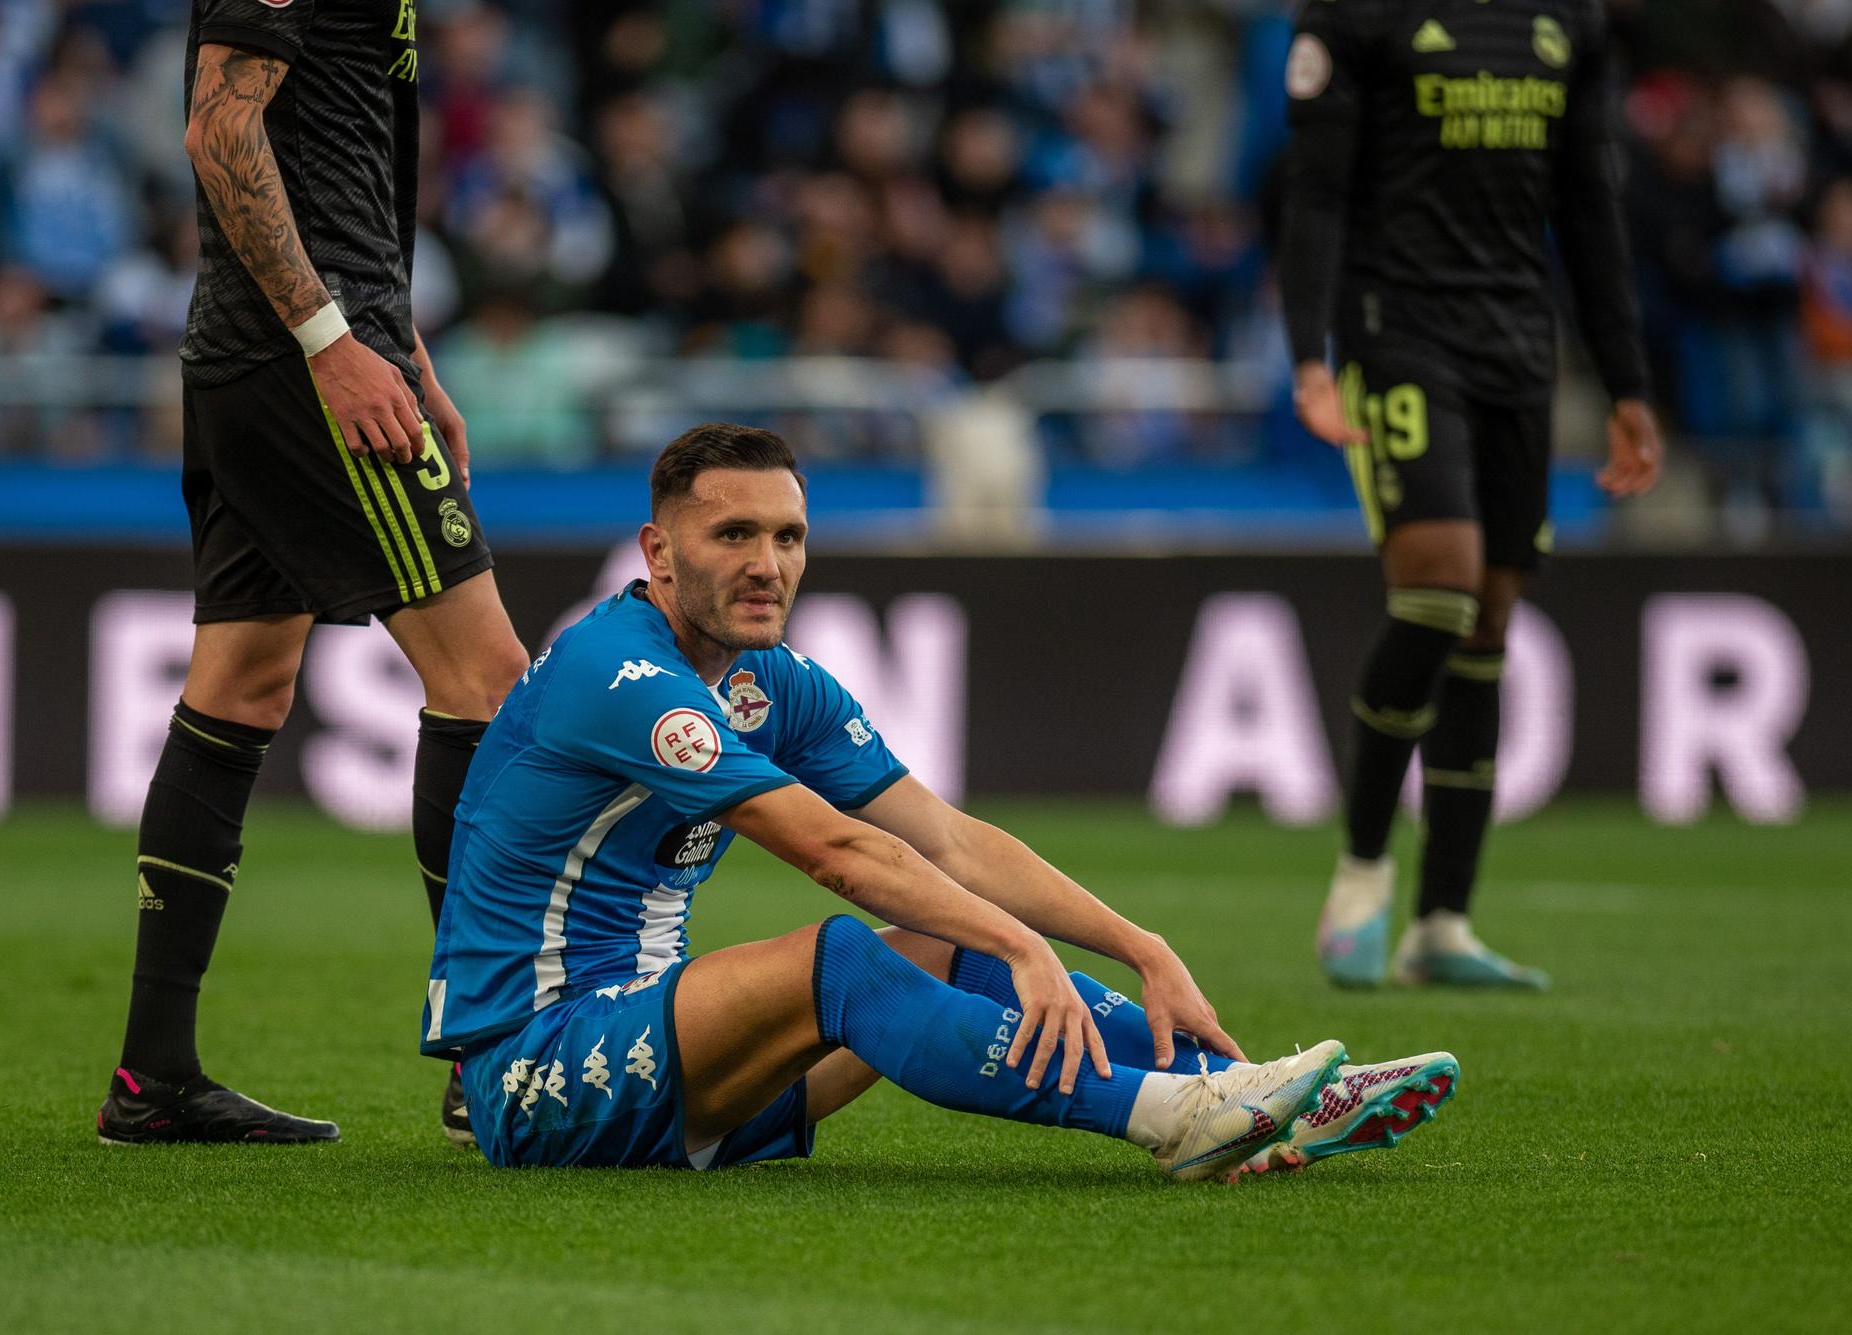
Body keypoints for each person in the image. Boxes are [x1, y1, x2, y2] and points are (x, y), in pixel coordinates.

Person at [424, 423, 1457, 1180]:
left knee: (936, 941)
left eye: (787, 536)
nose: (766, 565)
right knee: (843, 952)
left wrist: (1138, 946)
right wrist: (1021, 946)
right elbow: (833, 850)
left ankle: (1260, 1092)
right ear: (658, 553)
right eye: (732, 535)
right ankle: (1169, 1115)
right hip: (535, 1076)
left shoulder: (772, 680)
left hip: (675, 1066)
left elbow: (948, 842)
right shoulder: (615, 671)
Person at [96, 0, 529, 1146]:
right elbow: (219, 134)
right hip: (300, 358)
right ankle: (485, 1054)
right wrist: (334, 343)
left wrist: (406, 350)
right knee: (486, 679)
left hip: (303, 344)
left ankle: (152, 1077)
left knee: (241, 682)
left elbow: (342, 177)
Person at [1278, 0, 1665, 990]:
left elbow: (1586, 203)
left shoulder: (1567, 24)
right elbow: (1314, 193)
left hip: (1516, 348)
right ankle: (1361, 869)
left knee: (1488, 620)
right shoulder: (1355, 18)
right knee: (1438, 592)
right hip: (1394, 329)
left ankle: (1440, 922)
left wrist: (1623, 381)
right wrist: (1308, 359)